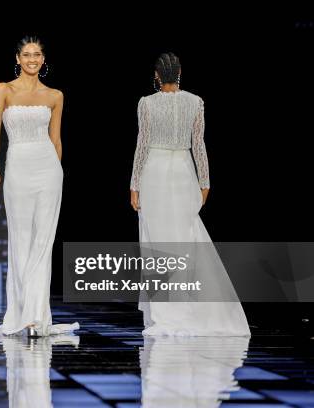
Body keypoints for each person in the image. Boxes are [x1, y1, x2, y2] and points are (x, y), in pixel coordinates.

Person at [130, 52, 250, 336]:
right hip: (185, 171)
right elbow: (199, 145)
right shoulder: (196, 102)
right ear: (180, 72)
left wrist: (134, 184)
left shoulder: (146, 103)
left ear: (157, 75)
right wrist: (205, 181)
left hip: (154, 173)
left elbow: (142, 145)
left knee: (157, 243)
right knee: (185, 240)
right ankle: (188, 308)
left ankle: (166, 314)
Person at [0, 35, 79, 337]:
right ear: (17, 58)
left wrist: (59, 171)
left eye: (37, 54)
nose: (32, 59)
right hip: (17, 167)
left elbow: (56, 139)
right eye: (26, 54)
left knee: (43, 242)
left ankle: (36, 316)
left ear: (43, 59)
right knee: (21, 238)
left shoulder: (55, 95)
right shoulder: (4, 90)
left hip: (48, 170)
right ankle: (22, 311)